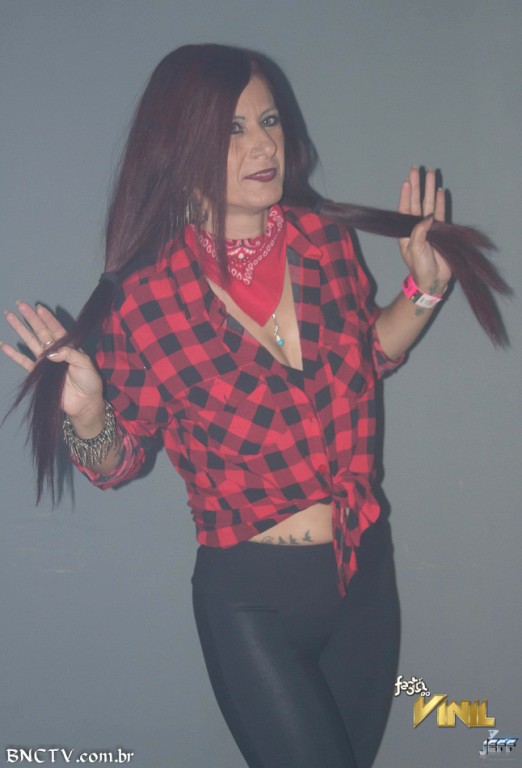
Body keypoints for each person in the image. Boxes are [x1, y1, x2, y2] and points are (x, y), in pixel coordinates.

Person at [0, 44, 507, 768]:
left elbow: (365, 356)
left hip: (364, 576)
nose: (264, 144)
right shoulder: (146, 296)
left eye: (268, 120)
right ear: (179, 145)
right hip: (252, 602)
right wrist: (87, 417)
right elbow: (118, 462)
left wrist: (424, 290)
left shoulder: (324, 242)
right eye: (232, 129)